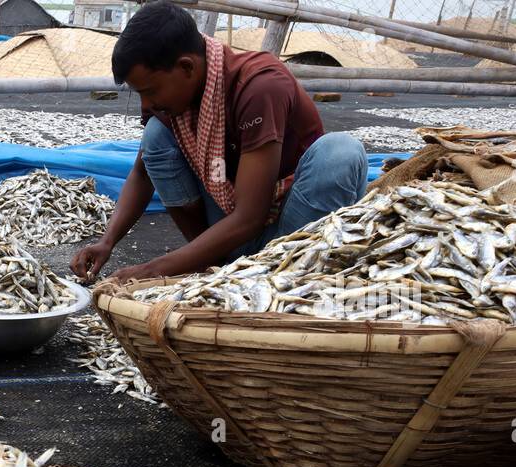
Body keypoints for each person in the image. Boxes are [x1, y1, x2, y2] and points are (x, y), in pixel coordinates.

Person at [72, 2, 368, 285]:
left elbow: (250, 218)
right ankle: (212, 264)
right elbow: (142, 172)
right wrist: (106, 242)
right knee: (155, 135)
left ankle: (293, 277)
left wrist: (153, 269)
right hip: (229, 232)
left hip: (292, 234)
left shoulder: (259, 87)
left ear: (187, 67)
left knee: (340, 153)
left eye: (150, 91)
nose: (147, 103)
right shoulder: (169, 99)